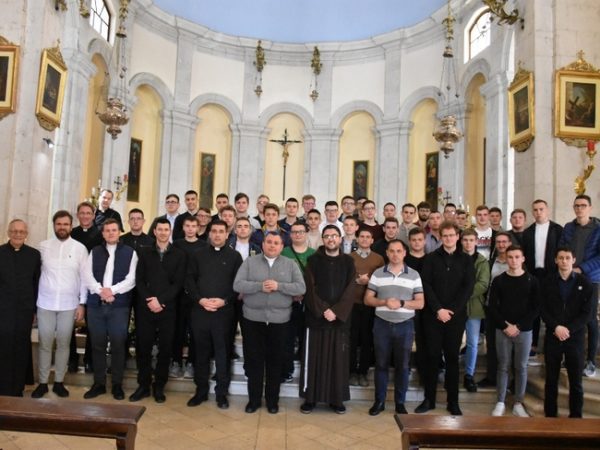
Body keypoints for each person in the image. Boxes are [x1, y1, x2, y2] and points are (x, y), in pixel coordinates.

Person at [234, 232, 306, 413]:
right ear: (263, 244)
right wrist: (259, 286)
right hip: (253, 320)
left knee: (275, 362)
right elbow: (237, 285)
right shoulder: (250, 262)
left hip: (280, 321)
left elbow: (301, 287)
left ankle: (272, 401)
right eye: (269, 242)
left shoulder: (290, 264)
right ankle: (254, 401)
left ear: (282, 247)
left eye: (276, 243)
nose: (272, 245)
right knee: (254, 362)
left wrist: (279, 286)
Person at [415, 221, 474, 416]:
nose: (448, 239)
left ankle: (453, 402)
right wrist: (439, 309)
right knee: (432, 357)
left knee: (452, 359)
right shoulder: (431, 259)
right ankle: (429, 399)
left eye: (452, 235)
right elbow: (426, 285)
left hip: (455, 318)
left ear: (458, 237)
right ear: (440, 237)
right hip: (433, 316)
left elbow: (468, 287)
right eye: (445, 235)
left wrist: (451, 311)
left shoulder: (466, 260)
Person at [185, 220, 243, 408]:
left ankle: (221, 394)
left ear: (227, 234)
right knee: (200, 353)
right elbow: (189, 281)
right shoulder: (197, 255)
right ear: (209, 234)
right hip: (200, 311)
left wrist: (224, 301)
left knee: (222, 354)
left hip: (224, 313)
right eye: (214, 231)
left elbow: (238, 285)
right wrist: (200, 300)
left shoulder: (235, 257)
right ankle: (201, 391)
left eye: (221, 231)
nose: (217, 235)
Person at [32, 210, 88, 399]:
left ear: (71, 226)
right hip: (45, 303)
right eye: (59, 224)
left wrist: (82, 303)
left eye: (65, 224)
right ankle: (42, 383)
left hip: (69, 304)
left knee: (64, 344)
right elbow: (36, 274)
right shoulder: (43, 247)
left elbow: (84, 278)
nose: (62, 227)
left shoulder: (80, 248)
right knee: (45, 344)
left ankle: (59, 382)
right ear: (54, 225)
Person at [300, 225, 356, 414]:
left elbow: (350, 290)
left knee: (337, 361)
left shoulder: (348, 262)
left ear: (340, 238)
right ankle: (310, 398)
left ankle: (336, 399)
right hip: (317, 318)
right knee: (313, 360)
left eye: (334, 235)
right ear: (323, 239)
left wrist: (337, 311)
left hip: (339, 320)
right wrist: (324, 309)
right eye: (327, 236)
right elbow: (309, 288)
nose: (331, 239)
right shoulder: (313, 260)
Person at [130, 218, 186, 403]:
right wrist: (150, 300)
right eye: (159, 229)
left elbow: (178, 283)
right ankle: (143, 385)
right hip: (146, 307)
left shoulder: (179, 254)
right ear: (154, 231)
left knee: (165, 348)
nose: (163, 232)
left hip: (167, 308)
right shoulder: (145, 252)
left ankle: (159, 386)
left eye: (166, 229)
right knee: (143, 347)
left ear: (170, 232)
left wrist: (161, 301)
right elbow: (139, 280)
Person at [365, 240, 424, 415]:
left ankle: (400, 403)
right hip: (382, 324)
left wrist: (402, 303)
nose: (395, 254)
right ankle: (379, 402)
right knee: (381, 364)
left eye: (399, 251)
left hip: (405, 326)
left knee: (403, 366)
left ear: (405, 253)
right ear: (387, 253)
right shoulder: (378, 274)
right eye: (392, 251)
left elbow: (420, 303)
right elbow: (368, 299)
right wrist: (384, 302)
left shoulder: (414, 275)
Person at [82, 219, 138, 400]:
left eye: (114, 230)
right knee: (97, 345)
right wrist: (101, 291)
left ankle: (117, 385)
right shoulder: (95, 251)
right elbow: (87, 275)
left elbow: (132, 279)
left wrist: (112, 291)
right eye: (107, 230)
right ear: (103, 233)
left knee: (118, 345)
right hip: (96, 306)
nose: (111, 233)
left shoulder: (130, 252)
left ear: (119, 232)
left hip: (119, 306)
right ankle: (98, 384)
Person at [541, 247, 593, 418]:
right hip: (553, 335)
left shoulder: (585, 283)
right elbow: (542, 308)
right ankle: (550, 416)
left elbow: (587, 313)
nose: (564, 261)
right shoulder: (547, 282)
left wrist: (569, 329)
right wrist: (556, 327)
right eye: (561, 258)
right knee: (551, 380)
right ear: (556, 260)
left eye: (567, 258)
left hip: (575, 337)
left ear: (573, 260)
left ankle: (576, 418)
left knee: (576, 381)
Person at [488, 246, 539, 417]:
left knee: (521, 366)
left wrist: (518, 326)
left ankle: (518, 402)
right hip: (503, 329)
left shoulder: (532, 281)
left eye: (517, 257)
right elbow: (492, 307)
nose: (514, 260)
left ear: (523, 259)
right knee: (503, 366)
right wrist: (505, 326)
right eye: (510, 257)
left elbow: (536, 308)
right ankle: (500, 401)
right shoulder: (499, 280)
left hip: (524, 331)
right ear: (506, 259)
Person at [559, 194, 600, 378]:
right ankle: (571, 357)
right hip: (570, 278)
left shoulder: (598, 228)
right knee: (570, 317)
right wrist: (567, 267)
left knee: (590, 319)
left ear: (590, 208)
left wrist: (581, 268)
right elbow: (561, 248)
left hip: (590, 279)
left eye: (583, 205)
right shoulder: (569, 227)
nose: (579, 208)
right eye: (576, 205)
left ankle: (590, 361)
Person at [0, 219, 40, 397]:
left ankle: (17, 388)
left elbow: (36, 283)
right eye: (14, 231)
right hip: (3, 309)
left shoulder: (34, 255)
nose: (17, 234)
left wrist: (35, 310)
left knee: (21, 346)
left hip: (25, 310)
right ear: (8, 233)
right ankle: (3, 387)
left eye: (21, 231)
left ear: (26, 234)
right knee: (4, 345)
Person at [522, 199, 563, 359]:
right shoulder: (528, 232)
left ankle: (551, 344)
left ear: (547, 210)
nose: (538, 212)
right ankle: (532, 345)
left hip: (552, 274)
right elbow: (525, 254)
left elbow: (561, 251)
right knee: (534, 308)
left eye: (541, 209)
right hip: (533, 274)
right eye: (535, 210)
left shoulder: (557, 230)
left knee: (552, 308)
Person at [170, 216, 207, 379]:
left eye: (193, 226)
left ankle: (192, 362)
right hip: (178, 294)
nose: (191, 229)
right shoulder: (177, 244)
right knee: (177, 330)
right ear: (183, 228)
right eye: (188, 226)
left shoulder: (204, 246)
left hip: (196, 295)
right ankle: (176, 361)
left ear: (198, 228)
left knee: (195, 330)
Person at [69, 201, 102, 373]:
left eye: (88, 213)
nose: (85, 216)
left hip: (93, 284)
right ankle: (72, 359)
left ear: (93, 215)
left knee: (92, 325)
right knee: (69, 323)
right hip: (72, 282)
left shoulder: (100, 234)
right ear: (77, 215)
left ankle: (89, 359)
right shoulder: (71, 233)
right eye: (82, 213)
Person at [349, 228, 385, 387]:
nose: (364, 239)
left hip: (370, 305)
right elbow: (343, 279)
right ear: (357, 239)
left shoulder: (378, 259)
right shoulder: (349, 257)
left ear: (372, 240)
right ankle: (351, 371)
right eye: (362, 236)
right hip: (352, 304)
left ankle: (363, 372)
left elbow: (383, 280)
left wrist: (369, 281)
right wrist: (356, 281)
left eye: (368, 237)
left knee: (367, 339)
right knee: (351, 339)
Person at [478, 231, 512, 388]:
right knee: (491, 344)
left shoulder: (515, 260)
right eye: (498, 242)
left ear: (509, 243)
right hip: (492, 309)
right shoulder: (490, 262)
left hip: (510, 310)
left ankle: (510, 379)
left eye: (504, 242)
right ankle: (491, 377)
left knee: (509, 346)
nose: (501, 245)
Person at [461, 228, 490, 393]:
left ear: (476, 241)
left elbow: (483, 284)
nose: (468, 243)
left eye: (471, 240)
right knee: (451, 341)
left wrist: (463, 294)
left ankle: (469, 375)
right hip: (456, 307)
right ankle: (448, 371)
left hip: (474, 306)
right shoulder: (455, 258)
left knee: (472, 343)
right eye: (465, 240)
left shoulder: (482, 261)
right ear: (461, 241)